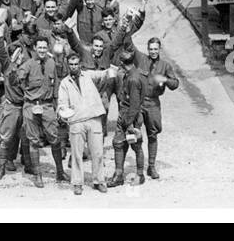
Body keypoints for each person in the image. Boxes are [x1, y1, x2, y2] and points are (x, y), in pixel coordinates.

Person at [57, 50, 115, 195]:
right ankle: (77, 183)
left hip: (94, 118)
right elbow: (62, 103)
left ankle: (99, 181)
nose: (74, 67)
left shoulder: (88, 75)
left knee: (98, 153)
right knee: (77, 155)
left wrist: (112, 70)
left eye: (76, 64)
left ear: (80, 65)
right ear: (67, 65)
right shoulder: (64, 83)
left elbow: (103, 74)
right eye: (71, 64)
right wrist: (63, 111)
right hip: (76, 121)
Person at [20, 35, 65, 187]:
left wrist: (58, 103)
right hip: (31, 105)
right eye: (39, 48)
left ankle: (60, 171)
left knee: (55, 138)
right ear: (34, 49)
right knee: (33, 141)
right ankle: (37, 175)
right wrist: (27, 96)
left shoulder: (52, 62)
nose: (42, 50)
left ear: (48, 49)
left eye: (45, 48)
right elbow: (16, 80)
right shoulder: (27, 65)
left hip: (47, 106)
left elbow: (56, 83)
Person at [135, 37, 179, 179]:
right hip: (140, 102)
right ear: (147, 49)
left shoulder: (165, 65)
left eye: (156, 49)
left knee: (153, 134)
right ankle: (139, 167)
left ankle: (151, 166)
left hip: (153, 103)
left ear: (159, 49)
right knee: (135, 133)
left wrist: (165, 79)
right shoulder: (141, 60)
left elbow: (175, 83)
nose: (153, 52)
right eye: (151, 49)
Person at [109, 48, 148, 187]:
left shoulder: (133, 79)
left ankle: (139, 175)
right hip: (127, 114)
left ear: (121, 63)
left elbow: (135, 104)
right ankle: (118, 174)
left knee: (136, 145)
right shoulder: (134, 74)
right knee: (118, 143)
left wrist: (129, 124)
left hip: (131, 116)